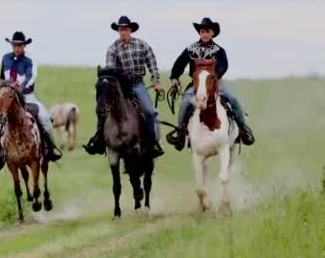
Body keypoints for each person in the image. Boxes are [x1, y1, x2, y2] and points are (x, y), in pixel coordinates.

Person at [83, 15, 165, 158]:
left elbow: (152, 64)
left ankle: (151, 143)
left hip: (137, 83)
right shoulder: (112, 49)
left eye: (125, 29)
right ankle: (100, 140)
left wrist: (156, 82)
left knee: (150, 112)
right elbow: (110, 69)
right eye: (120, 29)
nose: (123, 32)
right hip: (119, 86)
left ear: (130, 30)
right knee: (103, 109)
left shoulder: (142, 45)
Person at [168, 17, 255, 151]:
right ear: (199, 33)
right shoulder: (191, 49)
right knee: (185, 102)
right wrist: (175, 77)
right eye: (202, 31)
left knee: (233, 99)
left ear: (213, 33)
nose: (205, 34)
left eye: (208, 31)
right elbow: (180, 63)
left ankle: (243, 130)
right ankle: (181, 133)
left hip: (215, 83)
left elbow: (224, 65)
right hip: (196, 85)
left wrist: (215, 76)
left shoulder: (219, 50)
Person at [0, 31, 62, 170]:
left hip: (26, 95)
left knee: (45, 118)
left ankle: (50, 149)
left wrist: (18, 89)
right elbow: (2, 78)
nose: (16, 48)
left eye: (19, 45)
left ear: (24, 45)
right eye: (14, 45)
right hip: (7, 97)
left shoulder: (30, 60)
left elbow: (30, 78)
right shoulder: (5, 59)